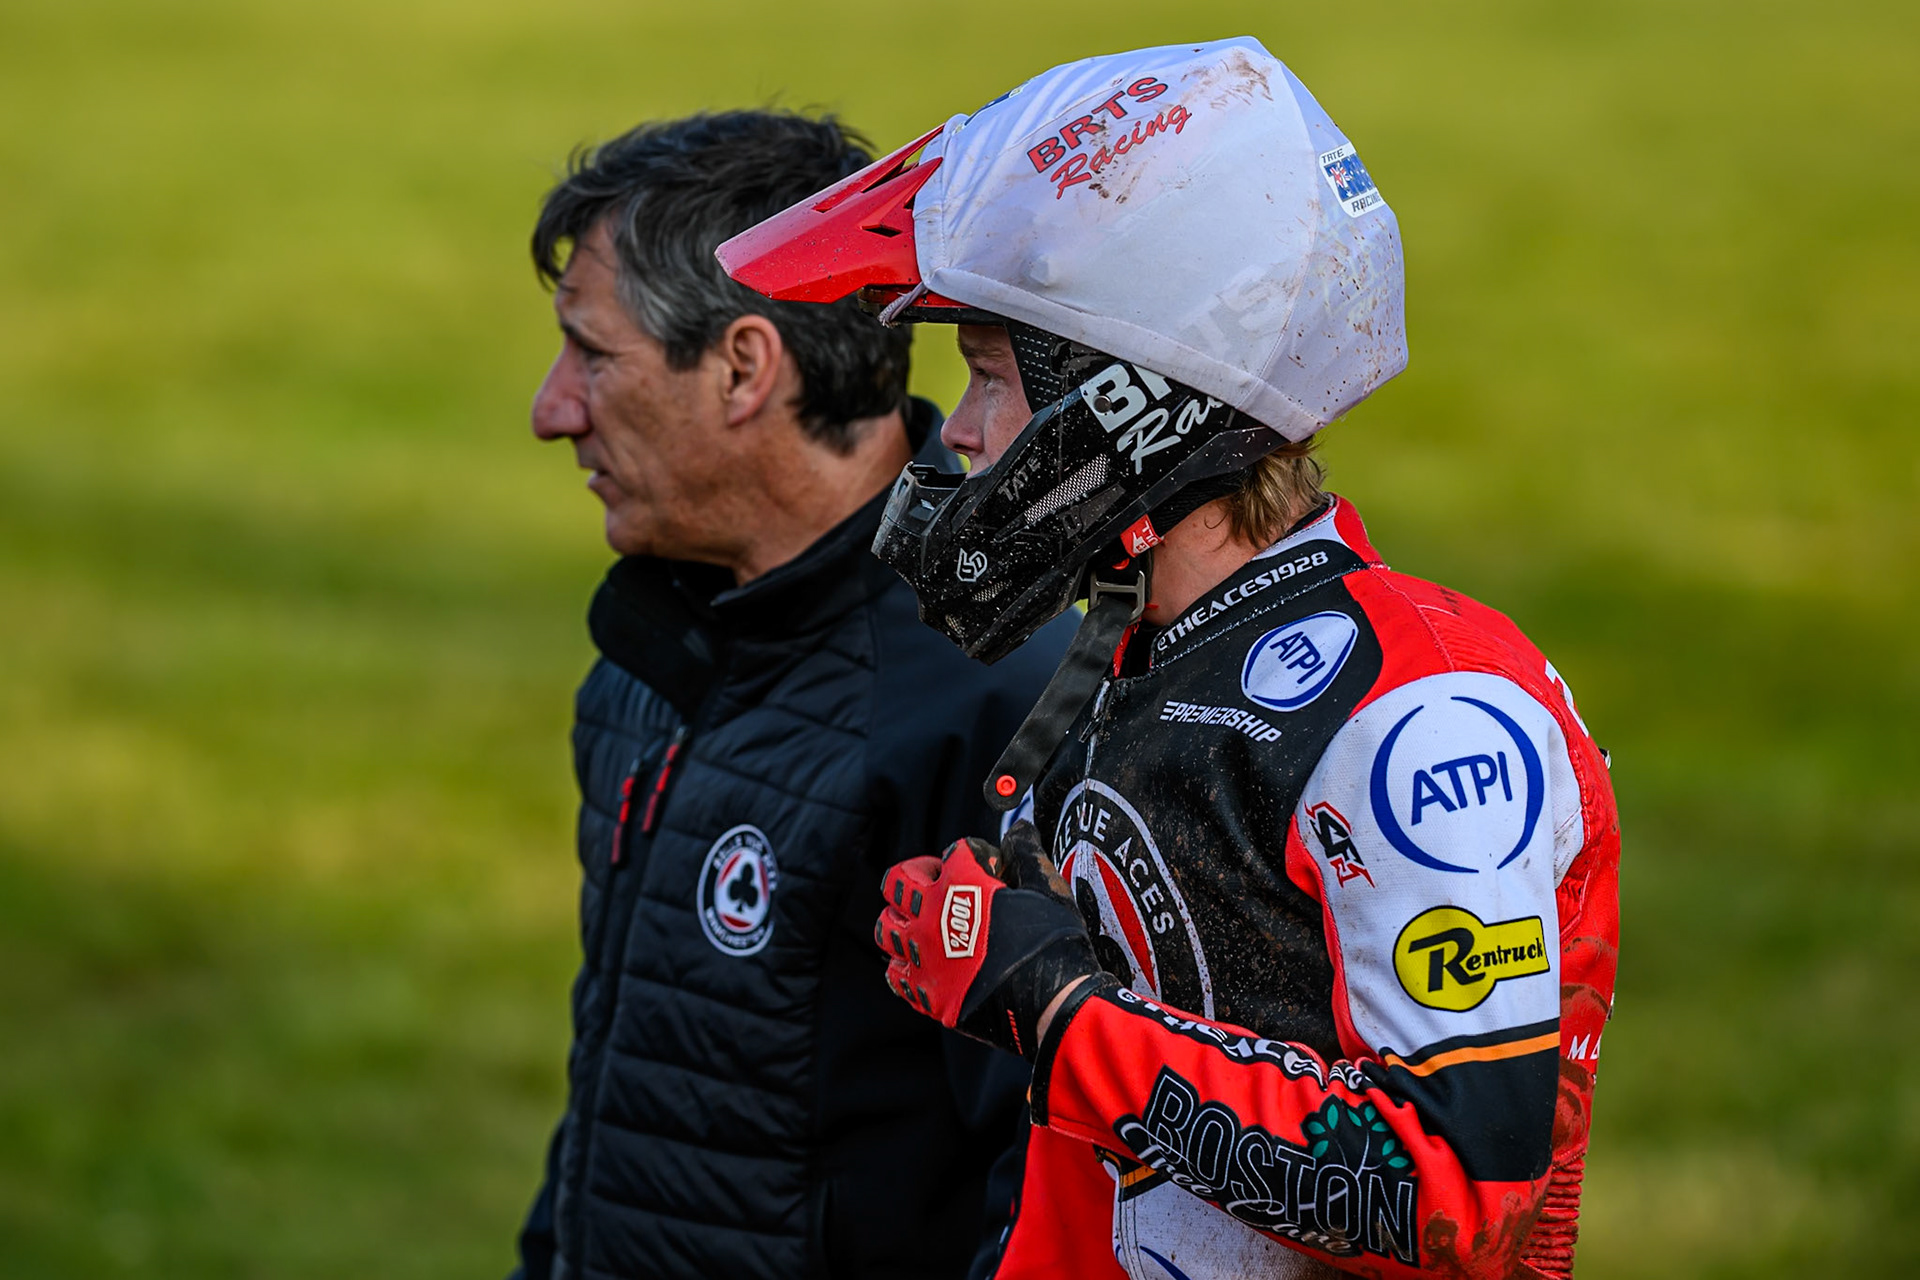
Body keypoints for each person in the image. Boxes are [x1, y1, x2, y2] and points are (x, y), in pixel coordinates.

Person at [719, 39, 1619, 1280]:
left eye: (987, 380)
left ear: (1134, 403)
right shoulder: (1145, 656)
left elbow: (1454, 1190)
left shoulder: (1422, 711)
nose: (963, 435)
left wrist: (1054, 1006)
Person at [511, 109, 1074, 1280]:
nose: (553, 409)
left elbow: (1044, 1197)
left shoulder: (996, 707)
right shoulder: (652, 650)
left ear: (743, 367)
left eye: (594, 355)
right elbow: (627, 1084)